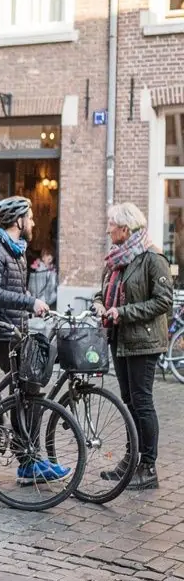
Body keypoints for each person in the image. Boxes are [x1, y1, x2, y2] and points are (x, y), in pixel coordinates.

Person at [0, 196, 66, 485]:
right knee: (29, 386)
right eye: (31, 217)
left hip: (8, 327)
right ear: (18, 221)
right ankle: (28, 462)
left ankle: (28, 455)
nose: (34, 222)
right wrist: (30, 302)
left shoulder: (13, 250)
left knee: (26, 386)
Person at [93, 202, 172, 492]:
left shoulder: (152, 258)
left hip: (143, 342)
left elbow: (164, 301)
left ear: (125, 229)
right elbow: (103, 291)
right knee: (129, 403)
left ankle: (148, 468)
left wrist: (123, 313)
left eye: (111, 224)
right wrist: (99, 303)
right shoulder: (116, 259)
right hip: (120, 339)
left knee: (142, 402)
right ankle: (130, 461)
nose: (107, 229)